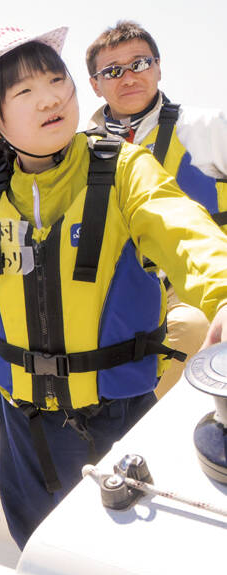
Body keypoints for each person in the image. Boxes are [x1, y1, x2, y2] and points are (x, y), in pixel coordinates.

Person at [0, 26, 227, 549]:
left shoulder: (125, 168)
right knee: (35, 536)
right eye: (24, 92)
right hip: (22, 422)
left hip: (116, 411)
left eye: (58, 80)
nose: (51, 97)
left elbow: (182, 228)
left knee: (127, 549)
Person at [85, 20, 227, 399]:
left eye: (140, 63)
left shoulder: (208, 127)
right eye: (113, 71)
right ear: (95, 85)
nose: (128, 77)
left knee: (192, 326)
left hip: (194, 281)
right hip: (118, 287)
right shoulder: (80, 149)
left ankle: (143, 420)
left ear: (159, 67)